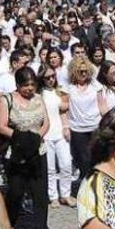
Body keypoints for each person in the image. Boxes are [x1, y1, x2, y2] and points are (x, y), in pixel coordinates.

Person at [0, 67, 56, 229]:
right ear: (17, 84)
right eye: (25, 85)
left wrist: (37, 137)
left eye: (32, 84)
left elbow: (46, 122)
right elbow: (1, 125)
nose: (29, 88)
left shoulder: (38, 98)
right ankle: (9, 227)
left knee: (40, 193)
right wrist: (21, 137)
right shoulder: (7, 100)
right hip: (16, 153)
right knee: (16, 192)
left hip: (38, 151)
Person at [61, 57, 108, 187]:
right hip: (77, 129)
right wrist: (65, 126)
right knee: (84, 160)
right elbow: (63, 109)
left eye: (86, 71)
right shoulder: (68, 87)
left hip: (95, 126)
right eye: (80, 71)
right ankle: (88, 187)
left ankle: (97, 186)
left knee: (96, 158)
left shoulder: (95, 85)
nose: (83, 74)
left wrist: (109, 120)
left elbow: (102, 105)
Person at [39, 66, 75, 208]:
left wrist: (66, 127)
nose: (51, 79)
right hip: (46, 134)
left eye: (53, 76)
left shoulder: (59, 91)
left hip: (60, 131)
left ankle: (65, 194)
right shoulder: (39, 93)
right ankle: (52, 195)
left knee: (66, 164)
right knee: (50, 168)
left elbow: (64, 111)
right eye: (47, 77)